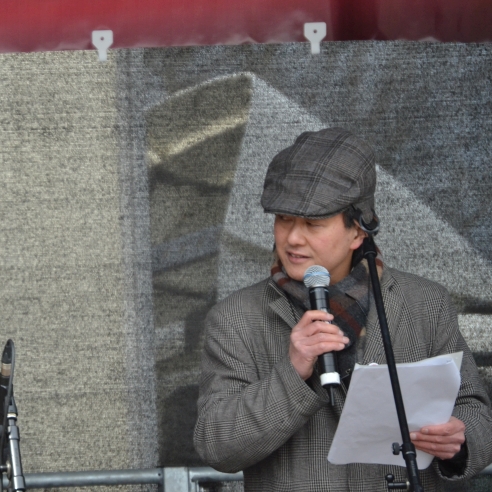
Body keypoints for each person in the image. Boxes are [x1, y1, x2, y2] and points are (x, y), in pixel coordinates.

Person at [193, 128, 492, 491]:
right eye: (284, 219)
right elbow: (216, 444)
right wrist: (292, 373)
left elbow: (475, 411)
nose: (292, 238)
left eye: (313, 223)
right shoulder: (236, 317)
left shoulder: (424, 302)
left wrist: (459, 440)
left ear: (359, 231)